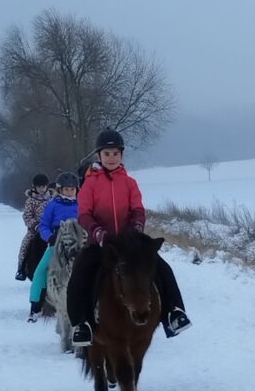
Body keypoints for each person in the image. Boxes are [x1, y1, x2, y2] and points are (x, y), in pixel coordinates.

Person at [66, 128, 193, 347]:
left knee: (162, 268)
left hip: (129, 245)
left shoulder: (130, 183)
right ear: (99, 156)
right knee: (80, 273)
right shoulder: (90, 184)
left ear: (122, 155)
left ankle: (174, 312)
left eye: (115, 153)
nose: (111, 158)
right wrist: (97, 232)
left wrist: (136, 227)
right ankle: (81, 324)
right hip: (101, 244)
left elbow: (138, 210)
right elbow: (84, 214)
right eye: (107, 154)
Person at [27, 171, 79, 321]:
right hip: (56, 243)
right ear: (60, 189)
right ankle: (35, 306)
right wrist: (50, 237)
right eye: (66, 189)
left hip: (76, 244)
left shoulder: (81, 204)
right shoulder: (53, 205)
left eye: (72, 189)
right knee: (41, 271)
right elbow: (44, 225)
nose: (69, 192)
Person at [16, 174, 53, 280]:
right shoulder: (30, 200)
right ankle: (21, 269)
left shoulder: (52, 200)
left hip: (50, 229)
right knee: (25, 245)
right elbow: (27, 215)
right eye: (39, 187)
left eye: (43, 186)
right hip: (35, 230)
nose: (41, 189)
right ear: (35, 187)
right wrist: (35, 225)